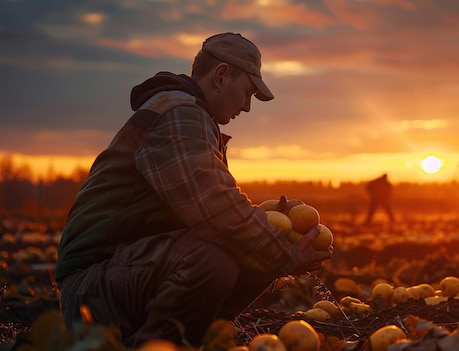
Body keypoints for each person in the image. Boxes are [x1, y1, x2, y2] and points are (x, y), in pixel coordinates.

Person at [54, 32, 332, 348]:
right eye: (247, 93)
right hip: (91, 289)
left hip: (116, 276)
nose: (247, 107)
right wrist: (288, 253)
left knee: (249, 249)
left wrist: (277, 240)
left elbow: (218, 212)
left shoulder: (188, 115)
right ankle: (157, 346)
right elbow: (216, 208)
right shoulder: (180, 114)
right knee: (215, 254)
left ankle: (177, 341)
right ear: (221, 75)